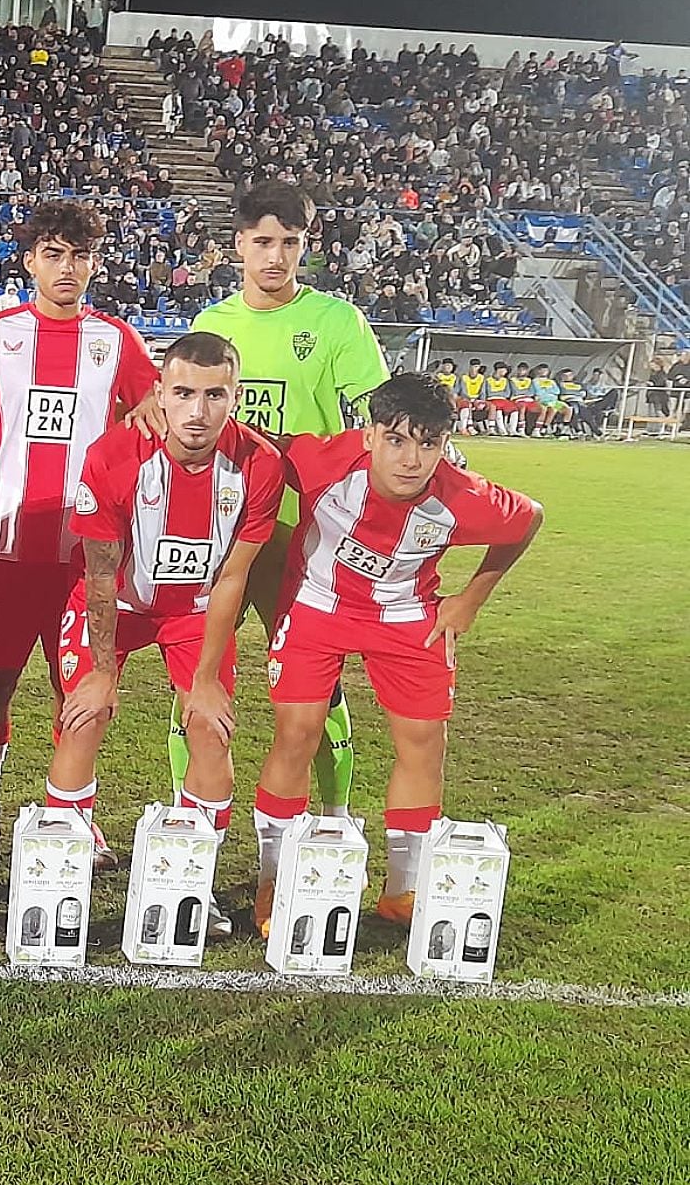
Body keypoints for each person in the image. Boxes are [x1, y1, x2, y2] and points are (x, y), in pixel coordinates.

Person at [252, 372, 543, 933]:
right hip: (316, 607)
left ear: (445, 443)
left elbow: (529, 517)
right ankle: (275, 877)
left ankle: (402, 891)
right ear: (370, 435)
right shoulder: (324, 462)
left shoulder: (465, 496)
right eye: (397, 440)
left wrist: (469, 601)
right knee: (296, 734)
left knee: (423, 742)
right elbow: (266, 447)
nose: (412, 459)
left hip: (408, 617)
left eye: (428, 443)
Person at [0, 200, 161, 857]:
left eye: (79, 255)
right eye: (53, 254)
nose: (67, 268)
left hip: (85, 557)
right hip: (4, 545)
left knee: (82, 683)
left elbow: (149, 413)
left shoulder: (116, 341)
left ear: (93, 263)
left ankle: (75, 810)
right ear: (31, 259)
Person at [56, 333, 285, 934]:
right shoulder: (114, 456)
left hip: (194, 612)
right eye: (182, 393)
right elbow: (100, 571)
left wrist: (206, 679)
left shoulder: (260, 465)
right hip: (118, 604)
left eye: (214, 395)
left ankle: (191, 882)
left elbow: (234, 573)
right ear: (159, 392)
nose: (197, 411)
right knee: (84, 715)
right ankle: (64, 865)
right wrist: (103, 671)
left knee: (211, 729)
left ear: (236, 397)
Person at [191, 180, 389, 821]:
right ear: (239, 245)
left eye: (290, 243)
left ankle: (332, 823)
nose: (275, 256)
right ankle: (194, 826)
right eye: (263, 242)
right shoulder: (213, 325)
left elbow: (376, 414)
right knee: (198, 680)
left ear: (306, 246)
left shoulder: (336, 322)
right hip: (216, 533)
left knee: (316, 690)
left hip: (302, 536)